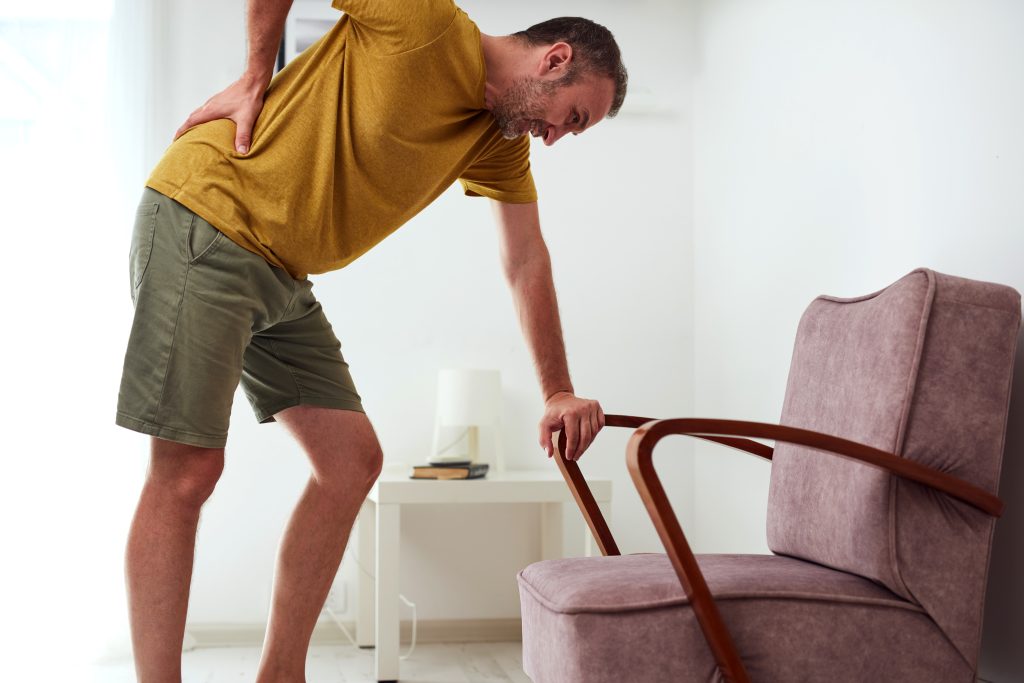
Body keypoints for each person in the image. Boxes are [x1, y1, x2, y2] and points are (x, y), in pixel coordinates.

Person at [117, 0, 627, 680]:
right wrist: (254, 74)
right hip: (208, 216)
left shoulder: (496, 143)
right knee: (187, 469)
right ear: (555, 59)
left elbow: (526, 258)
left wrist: (558, 389)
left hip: (280, 272)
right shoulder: (427, 25)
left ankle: (281, 676)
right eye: (573, 117)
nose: (556, 138)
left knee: (351, 461)